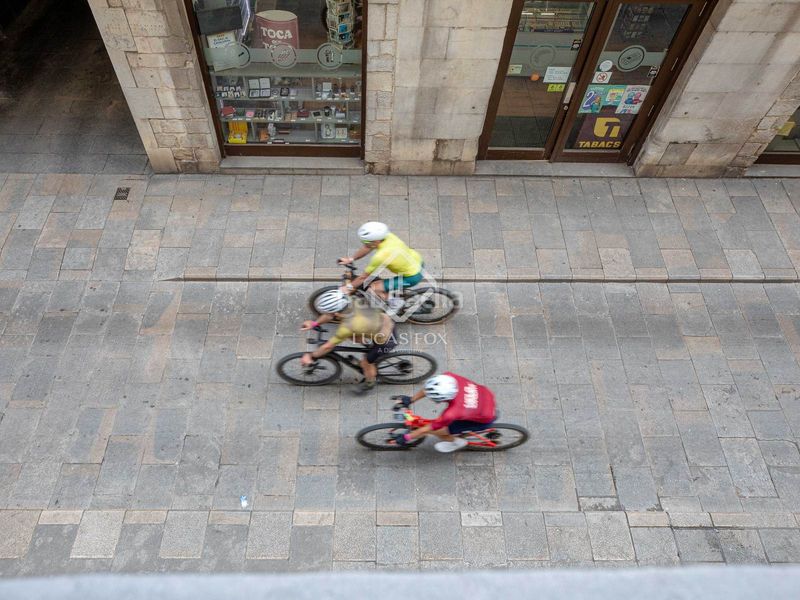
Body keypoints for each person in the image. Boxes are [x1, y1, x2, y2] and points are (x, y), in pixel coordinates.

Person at [301, 290, 396, 393]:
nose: (326, 314)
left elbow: (328, 346)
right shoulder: (352, 300)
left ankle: (370, 382)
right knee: (354, 336)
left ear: (336, 312)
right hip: (382, 321)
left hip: (386, 338)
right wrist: (314, 323)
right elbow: (330, 315)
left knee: (366, 363)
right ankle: (368, 345)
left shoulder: (347, 327)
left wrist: (311, 356)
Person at [392, 372, 497, 453]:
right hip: (485, 396)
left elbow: (427, 429)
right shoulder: (449, 378)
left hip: (483, 419)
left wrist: (407, 437)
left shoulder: (451, 413)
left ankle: (457, 442)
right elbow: (430, 388)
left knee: (438, 431)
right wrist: (411, 399)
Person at [339, 222, 424, 313]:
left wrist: (348, 288)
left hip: (411, 277)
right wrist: (351, 259)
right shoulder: (387, 236)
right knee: (379, 283)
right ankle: (392, 295)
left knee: (373, 289)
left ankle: (397, 303)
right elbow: (367, 247)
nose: (364, 243)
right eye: (363, 241)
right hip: (418, 261)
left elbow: (363, 277)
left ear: (376, 241)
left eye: (366, 241)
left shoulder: (381, 256)